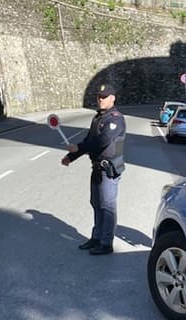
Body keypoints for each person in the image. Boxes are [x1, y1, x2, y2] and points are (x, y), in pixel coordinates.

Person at [61, 84, 126, 255]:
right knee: (96, 204)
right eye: (98, 96)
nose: (100, 99)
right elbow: (89, 141)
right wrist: (71, 157)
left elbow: (102, 141)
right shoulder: (98, 118)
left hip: (109, 169)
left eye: (104, 97)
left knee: (107, 206)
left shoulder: (116, 118)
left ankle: (106, 242)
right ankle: (96, 238)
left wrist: (78, 147)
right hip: (97, 168)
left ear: (113, 98)